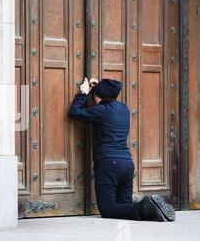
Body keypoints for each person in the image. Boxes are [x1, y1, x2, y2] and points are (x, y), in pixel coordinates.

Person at [69, 78, 176, 222]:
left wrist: (83, 93)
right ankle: (152, 209)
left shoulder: (101, 111)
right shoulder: (124, 109)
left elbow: (75, 112)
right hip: (127, 164)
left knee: (107, 209)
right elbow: (106, 99)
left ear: (97, 95)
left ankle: (145, 206)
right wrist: (98, 89)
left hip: (108, 163)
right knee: (124, 207)